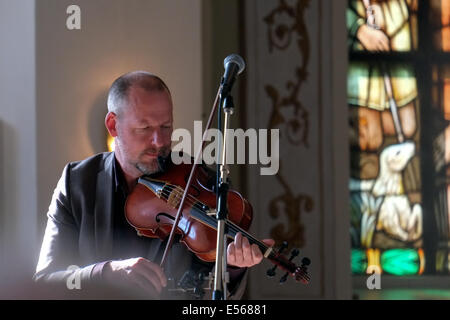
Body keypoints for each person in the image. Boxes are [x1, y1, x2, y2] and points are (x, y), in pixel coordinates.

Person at [33, 71, 274, 299]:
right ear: (113, 125)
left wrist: (232, 267)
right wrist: (105, 273)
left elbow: (211, 294)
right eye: (145, 128)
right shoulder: (78, 183)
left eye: (166, 126)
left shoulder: (199, 181)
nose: (159, 141)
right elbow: (46, 281)